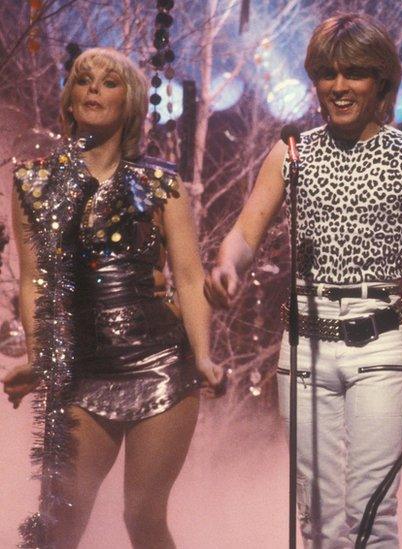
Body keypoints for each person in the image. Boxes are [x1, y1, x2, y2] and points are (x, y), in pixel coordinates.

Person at [204, 14, 402, 548]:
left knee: (374, 515)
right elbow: (243, 233)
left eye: (353, 73)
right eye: (327, 73)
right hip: (304, 345)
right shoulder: (291, 154)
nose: (339, 86)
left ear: (381, 81)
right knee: (319, 520)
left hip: (379, 346)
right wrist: (225, 266)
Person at [2, 47, 222, 547]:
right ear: (69, 97)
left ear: (132, 102)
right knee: (59, 523)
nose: (93, 90)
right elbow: (36, 282)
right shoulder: (33, 182)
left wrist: (204, 357)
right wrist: (43, 360)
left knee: (142, 516)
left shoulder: (160, 182)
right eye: (83, 80)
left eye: (108, 82)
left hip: (161, 364)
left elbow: (189, 277)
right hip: (82, 367)